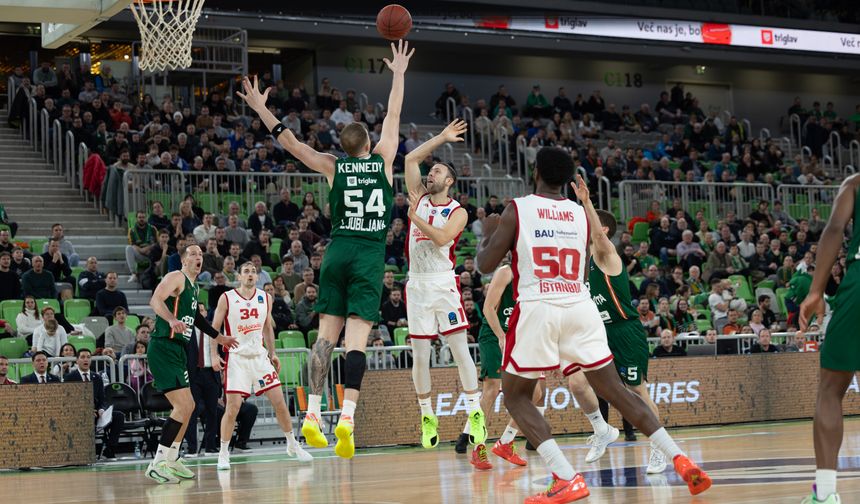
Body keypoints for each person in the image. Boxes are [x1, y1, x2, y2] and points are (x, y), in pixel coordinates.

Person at [475, 149, 711, 502]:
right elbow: (585, 270)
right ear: (568, 179)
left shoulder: (518, 208)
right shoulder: (580, 215)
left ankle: (566, 477)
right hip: (580, 305)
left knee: (516, 394)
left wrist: (489, 234)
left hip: (538, 306)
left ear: (535, 171)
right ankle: (679, 455)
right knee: (617, 390)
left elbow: (483, 265)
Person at [236, 40, 413, 460]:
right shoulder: (384, 160)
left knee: (324, 339)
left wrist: (262, 109)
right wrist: (399, 72)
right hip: (370, 254)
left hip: (336, 252)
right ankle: (347, 418)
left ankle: (313, 415)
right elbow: (393, 114)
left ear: (343, 144)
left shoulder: (333, 165)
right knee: (357, 343)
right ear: (368, 144)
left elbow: (292, 144)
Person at [401, 119, 488, 460]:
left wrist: (414, 217)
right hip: (417, 285)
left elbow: (440, 238)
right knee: (420, 355)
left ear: (449, 181)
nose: (430, 173)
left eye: (437, 171)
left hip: (442, 283)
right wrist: (440, 138)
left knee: (458, 350)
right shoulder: (419, 195)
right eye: (432, 169)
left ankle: (474, 412)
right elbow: (409, 161)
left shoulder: (458, 211)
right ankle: (427, 415)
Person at [579, 207, 669, 473]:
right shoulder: (586, 263)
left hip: (624, 330)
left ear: (602, 231)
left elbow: (596, 233)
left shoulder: (607, 256)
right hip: (600, 332)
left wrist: (586, 203)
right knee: (580, 380)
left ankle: (659, 448)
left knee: (637, 390)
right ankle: (602, 429)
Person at [144, 244, 238, 484]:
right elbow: (155, 300)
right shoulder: (176, 276)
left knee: (189, 406)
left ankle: (173, 458)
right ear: (184, 260)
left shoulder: (195, 287)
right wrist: (172, 319)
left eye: (201, 255)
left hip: (178, 350)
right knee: (183, 406)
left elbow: (198, 320)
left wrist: (220, 338)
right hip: (164, 346)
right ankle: (158, 463)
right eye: (193, 254)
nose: (198, 257)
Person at [211, 261, 312, 469]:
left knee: (280, 402)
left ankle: (293, 444)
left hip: (259, 358)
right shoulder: (227, 298)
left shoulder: (265, 297)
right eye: (246, 272)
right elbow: (214, 329)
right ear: (238, 276)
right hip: (237, 359)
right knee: (232, 408)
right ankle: (223, 453)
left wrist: (273, 353)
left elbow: (267, 328)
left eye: (253, 272)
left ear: (258, 277)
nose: (250, 275)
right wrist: (213, 354)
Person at [799, 173, 860, 504]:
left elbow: (834, 230)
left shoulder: (855, 184)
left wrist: (816, 290)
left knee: (831, 389)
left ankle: (824, 493)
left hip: (859, 285)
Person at [475, 263, 545, 468]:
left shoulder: (538, 276)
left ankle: (505, 442)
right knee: (491, 390)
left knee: (535, 393)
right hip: (496, 333)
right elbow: (488, 308)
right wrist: (501, 336)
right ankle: (477, 446)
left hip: (520, 337)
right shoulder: (506, 272)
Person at [64, 348, 126, 458]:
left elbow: (103, 399)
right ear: (77, 360)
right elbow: (68, 401)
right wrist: (86, 410)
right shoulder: (70, 378)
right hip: (79, 414)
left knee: (119, 416)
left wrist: (102, 409)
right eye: (82, 357)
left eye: (88, 357)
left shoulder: (96, 377)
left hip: (96, 413)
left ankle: (110, 449)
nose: (85, 360)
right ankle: (86, 452)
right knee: (88, 418)